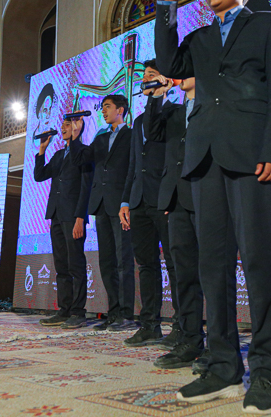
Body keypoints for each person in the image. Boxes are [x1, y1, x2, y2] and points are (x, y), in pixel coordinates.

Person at [155, 0, 271, 413]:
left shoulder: (266, 23)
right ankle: (222, 366)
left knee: (257, 261)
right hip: (205, 158)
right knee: (212, 266)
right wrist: (167, 6)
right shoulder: (198, 36)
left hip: (252, 156)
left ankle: (268, 370)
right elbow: (171, 66)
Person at [145, 76, 207, 369]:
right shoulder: (173, 112)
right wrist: (156, 96)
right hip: (177, 200)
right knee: (184, 274)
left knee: (212, 274)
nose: (179, 76)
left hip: (207, 194)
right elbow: (151, 132)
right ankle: (190, 340)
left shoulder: (212, 104)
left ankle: (219, 344)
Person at [118, 61, 179, 348]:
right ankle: (150, 325)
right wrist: (125, 200)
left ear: (165, 80)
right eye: (143, 77)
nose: (145, 80)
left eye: (151, 75)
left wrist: (173, 194)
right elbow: (133, 164)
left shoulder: (175, 112)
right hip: (139, 200)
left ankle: (182, 325)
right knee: (146, 265)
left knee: (175, 264)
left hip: (165, 199)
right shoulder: (139, 121)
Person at [70, 95, 136, 331]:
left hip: (121, 205)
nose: (103, 111)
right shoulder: (101, 137)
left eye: (107, 107)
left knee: (123, 260)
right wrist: (76, 135)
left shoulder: (132, 135)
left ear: (121, 110)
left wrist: (127, 200)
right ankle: (113, 313)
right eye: (103, 107)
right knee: (107, 262)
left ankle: (126, 315)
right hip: (100, 205)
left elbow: (133, 170)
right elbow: (79, 159)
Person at [34, 119, 94, 329]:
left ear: (77, 127)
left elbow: (86, 187)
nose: (63, 128)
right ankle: (64, 309)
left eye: (68, 125)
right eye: (63, 125)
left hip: (73, 216)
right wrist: (42, 150)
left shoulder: (85, 152)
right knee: (61, 264)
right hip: (56, 215)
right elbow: (39, 176)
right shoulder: (59, 154)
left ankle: (78, 312)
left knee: (75, 264)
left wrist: (80, 218)